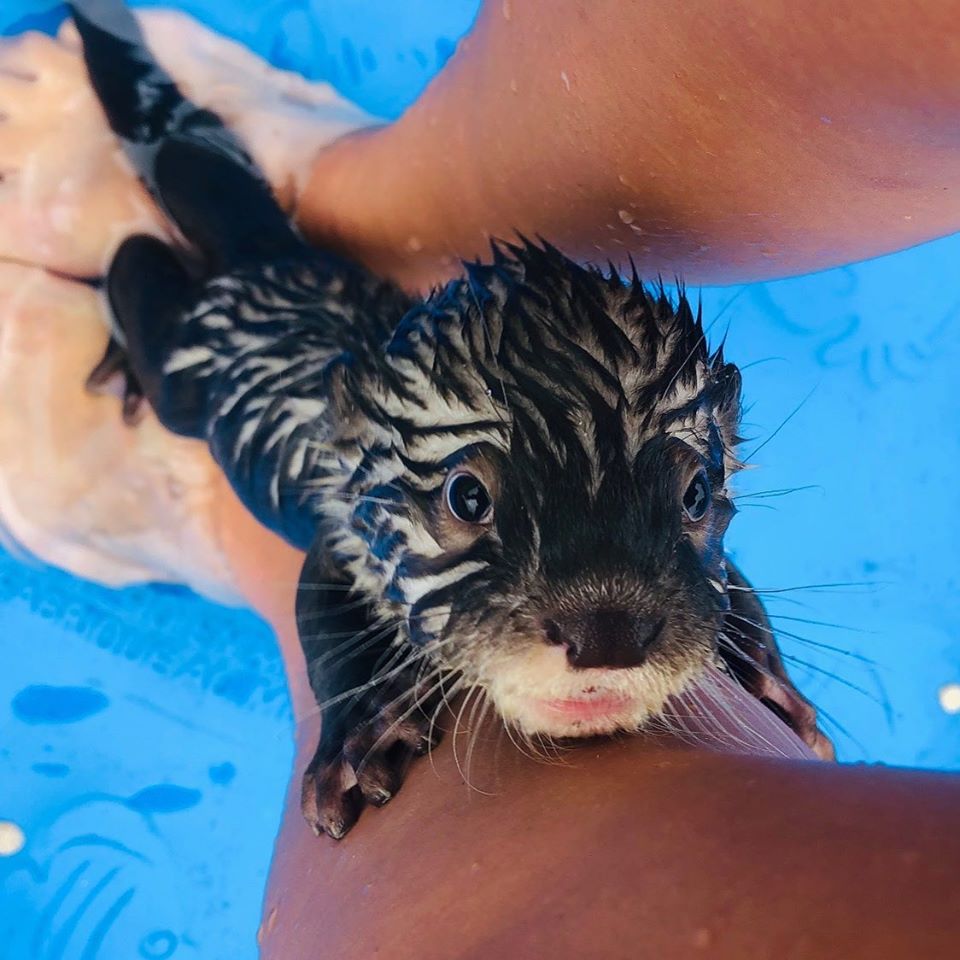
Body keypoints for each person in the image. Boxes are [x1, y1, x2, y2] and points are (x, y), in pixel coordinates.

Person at [1, 4, 959, 957]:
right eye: (470, 499)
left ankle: (333, 269)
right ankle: (150, 279)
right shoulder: (366, 494)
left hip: (363, 327)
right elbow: (338, 584)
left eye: (689, 497)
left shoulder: (644, 537)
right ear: (363, 440)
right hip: (252, 339)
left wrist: (756, 659)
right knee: (184, 385)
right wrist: (354, 711)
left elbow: (699, 570)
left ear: (724, 453)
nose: (609, 632)